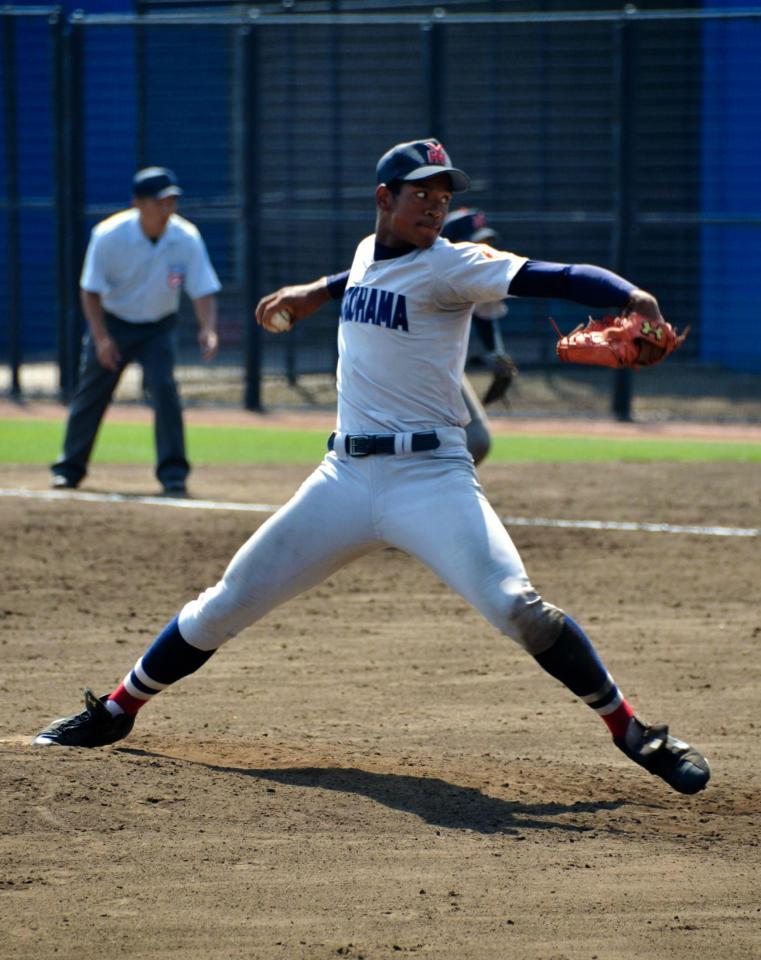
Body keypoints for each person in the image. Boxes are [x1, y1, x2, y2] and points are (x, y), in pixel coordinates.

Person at [33, 139, 710, 797]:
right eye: (423, 193)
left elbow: (552, 276)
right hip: (343, 479)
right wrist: (310, 294)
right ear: (384, 199)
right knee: (225, 602)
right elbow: (358, 274)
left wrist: (630, 295)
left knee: (517, 608)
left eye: (443, 196)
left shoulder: (453, 264)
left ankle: (633, 732)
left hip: (431, 478)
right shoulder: (369, 252)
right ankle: (116, 712)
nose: (435, 205)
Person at [50, 166, 221, 496]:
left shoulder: (185, 237)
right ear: (138, 203)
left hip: (158, 326)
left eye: (172, 201)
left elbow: (202, 289)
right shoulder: (109, 235)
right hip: (114, 323)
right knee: (92, 393)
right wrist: (101, 339)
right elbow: (90, 290)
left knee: (164, 389)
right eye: (160, 202)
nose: (168, 208)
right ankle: (68, 469)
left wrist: (208, 328)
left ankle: (173, 474)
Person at [441, 207, 519, 465]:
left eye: (486, 242)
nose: (484, 250)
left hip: (437, 366)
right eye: (476, 242)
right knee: (474, 441)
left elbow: (486, 313)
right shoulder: (430, 269)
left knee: (475, 441)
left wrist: (497, 356)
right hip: (401, 365)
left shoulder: (476, 272)